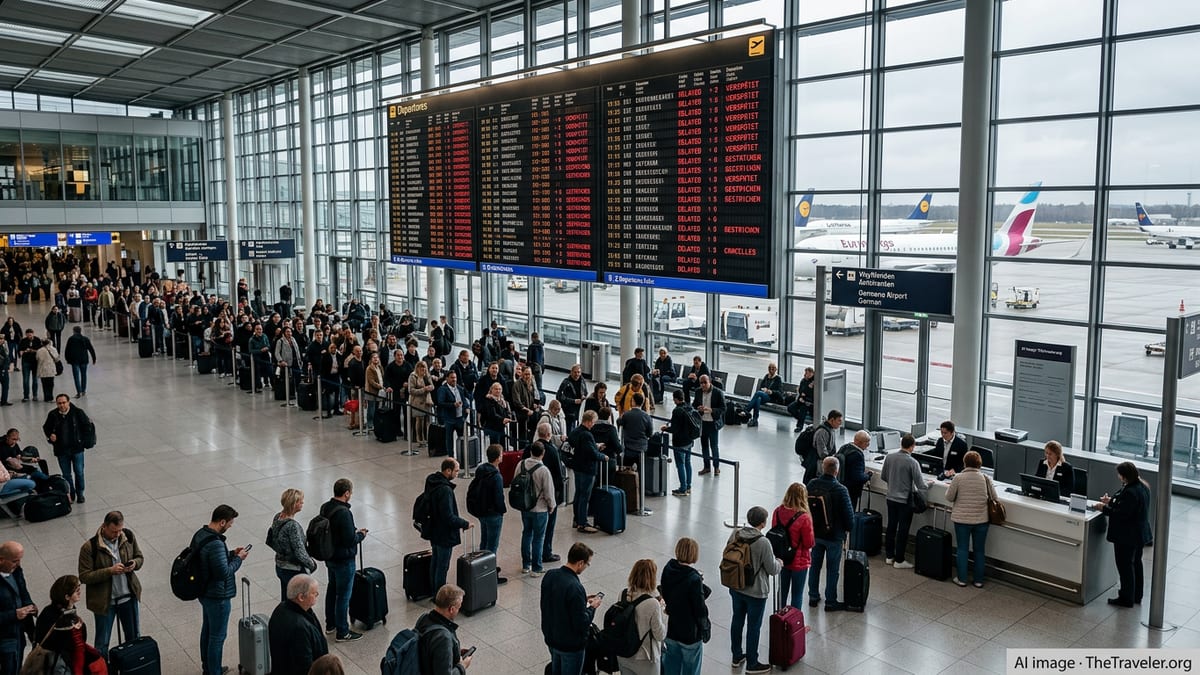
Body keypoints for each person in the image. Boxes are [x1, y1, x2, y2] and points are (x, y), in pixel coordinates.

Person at [77, 511, 143, 657]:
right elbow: (84, 576)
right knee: (102, 642)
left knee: (133, 638)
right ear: (104, 526)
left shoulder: (128, 537)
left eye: (120, 530)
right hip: (105, 603)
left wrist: (134, 563)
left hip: (128, 597)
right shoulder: (89, 548)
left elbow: (139, 557)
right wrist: (109, 571)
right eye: (114, 531)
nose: (118, 534)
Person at [193, 504, 249, 675]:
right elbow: (223, 572)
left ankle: (208, 668)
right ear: (222, 522)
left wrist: (231, 553)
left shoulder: (201, 534)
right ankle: (214, 671)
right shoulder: (216, 543)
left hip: (204, 592)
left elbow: (211, 562)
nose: (231, 526)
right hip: (217, 596)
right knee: (217, 637)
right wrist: (239, 559)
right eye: (230, 523)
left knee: (207, 631)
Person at [726, 506, 781, 674]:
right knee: (753, 626)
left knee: (737, 620)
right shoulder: (763, 542)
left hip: (736, 586)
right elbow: (772, 569)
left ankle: (736, 656)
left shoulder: (735, 533)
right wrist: (779, 563)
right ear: (763, 523)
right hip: (756, 592)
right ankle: (752, 662)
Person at [1093, 461, 1152, 607]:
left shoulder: (1131, 491)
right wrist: (1111, 500)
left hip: (1127, 536)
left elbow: (1121, 514)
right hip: (1139, 534)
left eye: (1120, 475)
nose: (1119, 477)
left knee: (1125, 566)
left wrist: (1103, 508)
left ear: (1124, 476)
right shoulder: (1142, 486)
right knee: (1136, 563)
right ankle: (1136, 595)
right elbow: (1125, 504)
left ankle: (1126, 597)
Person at [541, 543, 601, 675]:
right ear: (580, 563)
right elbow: (582, 622)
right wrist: (592, 607)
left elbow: (555, 599)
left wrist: (582, 599)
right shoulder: (575, 587)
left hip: (551, 637)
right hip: (570, 645)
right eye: (587, 564)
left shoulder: (550, 575)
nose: (586, 567)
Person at [319, 479, 367, 642]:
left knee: (332, 590)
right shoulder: (344, 513)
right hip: (344, 560)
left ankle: (330, 624)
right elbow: (349, 539)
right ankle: (343, 631)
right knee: (344, 596)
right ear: (346, 493)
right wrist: (360, 535)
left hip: (330, 557)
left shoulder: (325, 507)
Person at [805, 457, 853, 612]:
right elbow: (848, 516)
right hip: (834, 535)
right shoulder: (841, 490)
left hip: (815, 533)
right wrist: (848, 529)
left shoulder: (812, 484)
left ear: (823, 468)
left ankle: (813, 596)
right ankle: (830, 601)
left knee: (814, 565)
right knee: (833, 569)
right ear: (836, 471)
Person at [944, 451, 996, 589]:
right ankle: (978, 581)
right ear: (980, 464)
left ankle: (962, 579)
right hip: (981, 520)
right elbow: (995, 497)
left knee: (962, 549)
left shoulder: (958, 478)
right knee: (979, 551)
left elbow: (949, 497)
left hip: (962, 520)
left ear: (964, 463)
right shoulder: (985, 478)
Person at [880, 434, 931, 570]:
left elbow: (883, 476)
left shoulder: (889, 457)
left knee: (891, 527)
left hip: (890, 497)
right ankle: (899, 559)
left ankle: (889, 556)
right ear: (912, 446)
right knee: (903, 530)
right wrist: (928, 485)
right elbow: (921, 484)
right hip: (904, 501)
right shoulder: (912, 462)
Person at [659, 537, 708, 675]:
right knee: (691, 668)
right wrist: (704, 628)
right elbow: (699, 609)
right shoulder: (694, 578)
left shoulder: (668, 569)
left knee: (671, 666)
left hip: (673, 628)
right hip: (690, 633)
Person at [422, 459, 472, 593]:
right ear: (448, 470)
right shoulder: (445, 490)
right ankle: (439, 594)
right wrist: (464, 523)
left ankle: (433, 589)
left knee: (436, 561)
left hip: (433, 529)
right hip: (444, 533)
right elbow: (448, 517)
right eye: (456, 470)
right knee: (442, 566)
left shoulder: (432, 481)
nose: (457, 473)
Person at [268, 574, 328, 675]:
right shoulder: (299, 628)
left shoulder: (281, 609)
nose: (317, 595)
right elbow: (304, 666)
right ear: (301, 597)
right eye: (314, 593)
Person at [615, 559, 667, 675]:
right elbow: (660, 635)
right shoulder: (652, 603)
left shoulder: (622, 594)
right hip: (645, 657)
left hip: (624, 652)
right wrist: (662, 611)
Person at [467, 445, 508, 584]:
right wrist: (502, 510)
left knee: (484, 541)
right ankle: (490, 575)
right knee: (492, 545)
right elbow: (498, 497)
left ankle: (481, 569)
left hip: (481, 511)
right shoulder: (496, 476)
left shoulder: (481, 470)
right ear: (498, 458)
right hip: (493, 514)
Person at [268, 489, 318, 601]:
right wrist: (312, 564)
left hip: (281, 565)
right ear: (294, 504)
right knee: (297, 602)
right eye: (300, 501)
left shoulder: (278, 517)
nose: (302, 503)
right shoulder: (292, 526)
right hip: (293, 569)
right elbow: (299, 551)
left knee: (285, 598)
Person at [42, 393, 93, 503]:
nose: (62, 405)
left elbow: (87, 427)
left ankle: (80, 493)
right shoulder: (53, 415)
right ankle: (71, 493)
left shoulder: (78, 412)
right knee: (66, 474)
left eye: (64, 402)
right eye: (59, 403)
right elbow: (46, 428)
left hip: (77, 449)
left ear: (68, 402)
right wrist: (51, 436)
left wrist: (82, 441)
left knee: (79, 472)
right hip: (62, 450)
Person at [772, 483, 815, 610]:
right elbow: (809, 543)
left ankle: (780, 619)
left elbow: (774, 531)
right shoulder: (804, 517)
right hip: (799, 561)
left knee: (782, 591)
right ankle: (793, 623)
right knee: (797, 594)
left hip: (782, 558)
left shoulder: (778, 511)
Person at [415, 584, 474, 674]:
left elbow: (428, 648)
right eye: (459, 607)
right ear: (452, 609)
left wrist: (453, 651)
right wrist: (462, 666)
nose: (458, 611)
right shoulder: (444, 637)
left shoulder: (424, 618)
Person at [519, 441, 556, 577]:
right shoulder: (543, 470)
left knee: (526, 534)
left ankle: (525, 565)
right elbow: (548, 492)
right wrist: (552, 506)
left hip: (525, 507)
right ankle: (537, 567)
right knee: (539, 538)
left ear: (530, 452)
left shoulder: (521, 464)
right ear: (543, 453)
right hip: (539, 509)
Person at [568, 411, 605, 534]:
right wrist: (602, 456)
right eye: (593, 422)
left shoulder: (575, 432)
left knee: (578, 494)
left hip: (577, 467)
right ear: (588, 421)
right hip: (587, 469)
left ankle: (576, 519)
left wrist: (595, 445)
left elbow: (583, 447)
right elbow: (592, 453)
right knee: (585, 496)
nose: (593, 425)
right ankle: (582, 523)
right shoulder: (587, 435)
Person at [0, 541, 34, 674]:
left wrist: (30, 606)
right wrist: (14, 614)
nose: (18, 564)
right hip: (5, 637)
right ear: (1, 560)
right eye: (14, 561)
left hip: (19, 633)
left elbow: (23, 592)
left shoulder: (16, 571)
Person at [663, 389, 699, 496]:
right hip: (689, 440)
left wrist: (665, 428)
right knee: (688, 463)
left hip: (680, 442)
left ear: (675, 399)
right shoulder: (689, 407)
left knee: (680, 464)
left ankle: (682, 488)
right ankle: (688, 486)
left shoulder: (677, 411)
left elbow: (674, 429)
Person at [693, 375, 725, 476]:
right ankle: (707, 467)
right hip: (703, 422)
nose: (703, 385)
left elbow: (723, 408)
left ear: (709, 382)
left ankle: (716, 467)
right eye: (701, 383)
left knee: (714, 446)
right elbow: (694, 405)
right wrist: (698, 408)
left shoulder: (718, 392)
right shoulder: (698, 392)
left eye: (705, 382)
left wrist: (712, 410)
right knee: (704, 446)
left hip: (713, 423)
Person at [435, 370, 472, 458]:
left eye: (455, 378)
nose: (454, 380)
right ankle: (451, 457)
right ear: (447, 378)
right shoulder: (442, 389)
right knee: (449, 440)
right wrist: (453, 405)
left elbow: (464, 400)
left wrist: (466, 407)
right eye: (452, 378)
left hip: (460, 418)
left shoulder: (459, 388)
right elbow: (440, 402)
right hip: (449, 419)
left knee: (462, 438)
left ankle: (463, 457)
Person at [803, 410, 842, 485]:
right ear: (832, 420)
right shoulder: (822, 432)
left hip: (821, 463)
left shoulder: (831, 430)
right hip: (816, 465)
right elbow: (822, 452)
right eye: (839, 421)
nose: (840, 423)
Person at [838, 430, 874, 510]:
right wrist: (868, 475)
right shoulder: (857, 455)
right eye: (867, 442)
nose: (868, 445)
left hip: (840, 485)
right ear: (860, 442)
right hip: (851, 490)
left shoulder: (844, 447)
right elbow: (858, 477)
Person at [617, 392, 653, 467]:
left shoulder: (627, 415)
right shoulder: (647, 417)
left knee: (627, 470)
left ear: (633, 401)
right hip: (642, 448)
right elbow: (650, 433)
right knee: (641, 471)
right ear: (642, 403)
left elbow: (619, 422)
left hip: (629, 448)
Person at [63, 326, 96, 398]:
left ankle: (78, 392)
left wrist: (67, 359)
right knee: (84, 375)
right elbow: (91, 349)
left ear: (74, 331)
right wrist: (94, 359)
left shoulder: (71, 339)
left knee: (76, 377)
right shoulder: (85, 339)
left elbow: (67, 350)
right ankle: (83, 390)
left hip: (74, 360)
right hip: (84, 359)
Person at [555, 364, 588, 432]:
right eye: (575, 372)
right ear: (571, 372)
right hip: (569, 410)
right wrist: (573, 401)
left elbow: (585, 392)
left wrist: (583, 396)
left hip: (579, 408)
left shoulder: (582, 381)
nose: (577, 374)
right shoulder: (566, 382)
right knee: (570, 427)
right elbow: (559, 396)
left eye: (578, 372)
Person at [35, 338, 59, 403]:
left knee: (44, 384)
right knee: (51, 384)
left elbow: (37, 358)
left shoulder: (39, 350)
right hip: (51, 369)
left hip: (42, 369)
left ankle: (46, 397)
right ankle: (50, 397)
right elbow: (57, 358)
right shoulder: (53, 349)